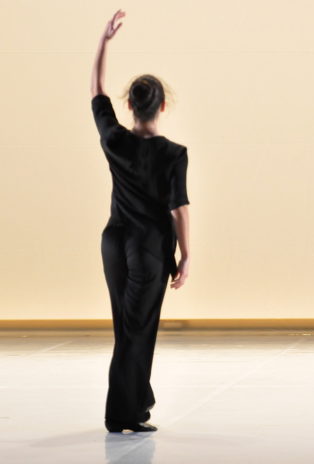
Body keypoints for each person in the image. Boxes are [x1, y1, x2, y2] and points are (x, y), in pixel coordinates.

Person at [91, 10, 190, 431]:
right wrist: (187, 255)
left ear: (129, 105)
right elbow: (178, 207)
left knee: (126, 326)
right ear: (162, 106)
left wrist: (104, 41)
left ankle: (137, 402)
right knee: (138, 329)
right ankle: (122, 414)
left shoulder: (114, 139)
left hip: (114, 243)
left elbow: (96, 92)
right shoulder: (174, 154)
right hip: (148, 248)